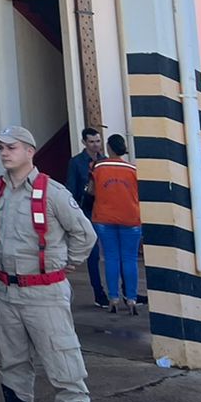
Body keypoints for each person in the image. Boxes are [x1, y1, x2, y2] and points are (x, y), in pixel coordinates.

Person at [0, 125, 97, 402]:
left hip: (44, 293)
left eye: (11, 147)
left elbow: (85, 235)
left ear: (30, 151)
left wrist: (66, 264)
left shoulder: (53, 191)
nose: (4, 152)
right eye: (0, 147)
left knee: (63, 362)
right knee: (13, 361)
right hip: (7, 290)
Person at [90, 134, 142, 315]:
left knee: (111, 258)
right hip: (131, 218)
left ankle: (113, 298)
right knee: (130, 259)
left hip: (104, 217)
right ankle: (132, 298)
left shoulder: (98, 167)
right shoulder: (133, 169)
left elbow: (91, 190)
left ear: (109, 147)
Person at [64, 126, 109, 308]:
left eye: (98, 141)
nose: (95, 145)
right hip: (87, 211)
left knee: (114, 254)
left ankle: (123, 290)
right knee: (94, 255)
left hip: (106, 210)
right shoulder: (76, 163)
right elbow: (71, 189)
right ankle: (99, 292)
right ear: (84, 142)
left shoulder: (105, 161)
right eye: (91, 142)